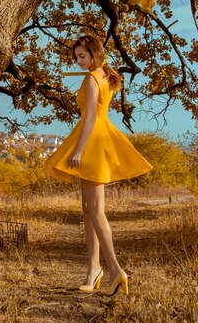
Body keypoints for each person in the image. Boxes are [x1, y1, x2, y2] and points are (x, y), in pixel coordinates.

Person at [45, 35, 152, 296]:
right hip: (100, 136)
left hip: (93, 140)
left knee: (95, 209)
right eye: (76, 57)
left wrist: (79, 150)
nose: (79, 61)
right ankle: (94, 270)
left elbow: (91, 116)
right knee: (88, 208)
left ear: (94, 54)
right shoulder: (105, 74)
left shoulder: (93, 78)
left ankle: (115, 270)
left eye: (82, 56)